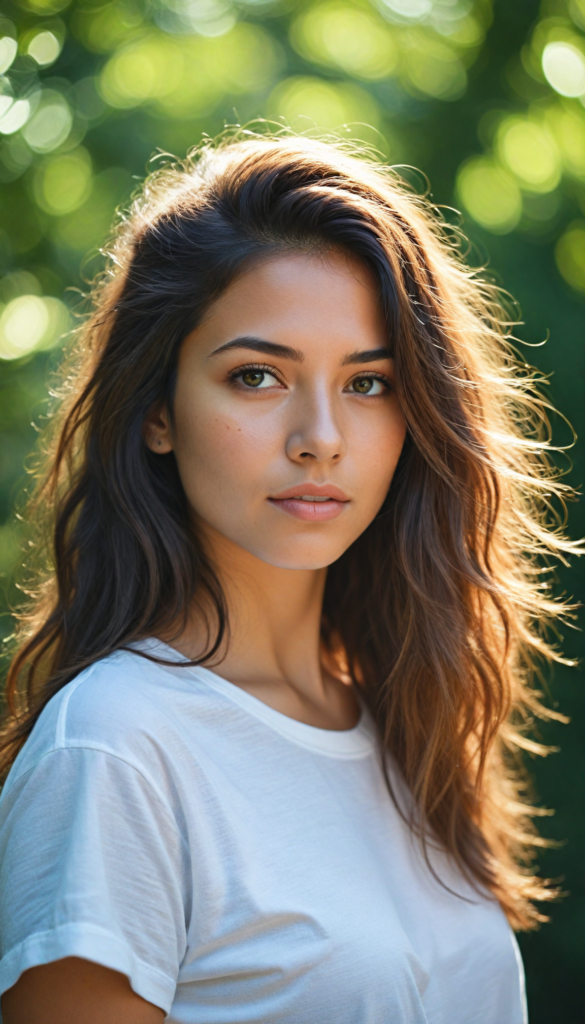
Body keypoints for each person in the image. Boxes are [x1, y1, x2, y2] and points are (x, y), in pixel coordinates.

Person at [0, 134, 578, 1024]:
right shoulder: (114, 749)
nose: (320, 436)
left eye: (369, 384)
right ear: (157, 410)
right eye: (257, 376)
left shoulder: (407, 718)